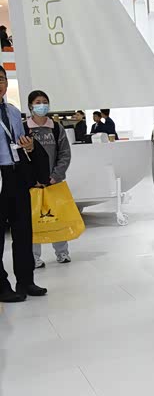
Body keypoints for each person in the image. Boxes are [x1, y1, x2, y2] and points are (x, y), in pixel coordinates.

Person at [0, 66, 49, 302]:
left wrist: (28, 146)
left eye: (1, 79)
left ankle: (26, 280)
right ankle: (1, 285)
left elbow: (21, 143)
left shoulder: (12, 111)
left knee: (23, 231)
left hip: (16, 174)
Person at [26, 90, 72, 267]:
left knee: (57, 218)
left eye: (44, 101)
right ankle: (34, 256)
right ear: (30, 106)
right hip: (33, 185)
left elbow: (64, 154)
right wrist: (32, 179)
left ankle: (62, 252)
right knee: (33, 220)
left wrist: (55, 176)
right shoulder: (24, 128)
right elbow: (21, 156)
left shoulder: (56, 128)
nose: (42, 105)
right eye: (38, 102)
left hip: (53, 183)